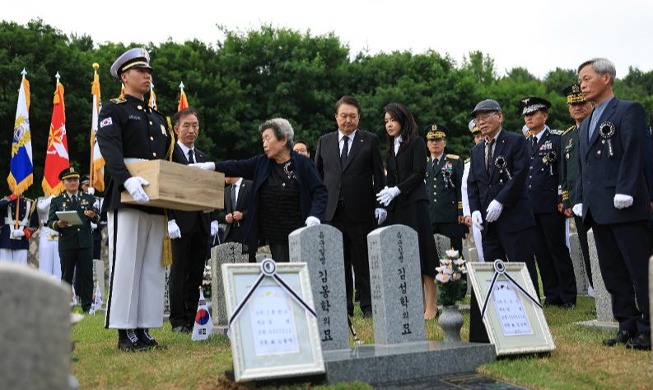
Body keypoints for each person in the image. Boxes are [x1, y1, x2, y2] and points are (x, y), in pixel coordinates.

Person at [97, 47, 173, 351]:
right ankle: (124, 330)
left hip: (155, 197)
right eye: (141, 71)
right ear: (124, 76)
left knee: (151, 266)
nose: (147, 76)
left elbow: (167, 158)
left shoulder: (157, 116)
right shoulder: (113, 109)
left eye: (149, 71)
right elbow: (110, 148)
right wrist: (126, 178)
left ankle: (143, 327)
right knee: (127, 262)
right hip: (126, 194)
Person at [574, 58, 651, 350]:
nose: (582, 84)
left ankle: (648, 327)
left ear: (607, 78)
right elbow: (584, 167)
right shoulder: (586, 123)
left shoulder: (628, 110)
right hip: (598, 209)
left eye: (586, 77)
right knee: (612, 273)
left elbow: (635, 151)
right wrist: (580, 198)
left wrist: (627, 189)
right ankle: (626, 325)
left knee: (639, 271)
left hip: (625, 205)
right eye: (580, 79)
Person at [192, 117, 328, 263]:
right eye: (263, 139)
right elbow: (238, 166)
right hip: (274, 234)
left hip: (300, 230)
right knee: (282, 273)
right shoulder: (262, 163)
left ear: (283, 140)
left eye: (267, 138)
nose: (264, 144)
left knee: (302, 273)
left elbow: (320, 191)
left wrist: (315, 215)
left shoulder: (303, 164)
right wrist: (212, 166)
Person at [314, 95, 386, 318]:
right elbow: (318, 177)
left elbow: (378, 175)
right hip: (332, 212)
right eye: (343, 116)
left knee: (362, 260)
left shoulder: (370, 140)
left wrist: (379, 204)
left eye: (352, 116)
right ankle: (343, 308)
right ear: (336, 117)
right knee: (338, 262)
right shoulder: (324, 141)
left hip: (361, 210)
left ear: (359, 118)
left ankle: (368, 306)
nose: (348, 121)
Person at [466, 99, 539, 294]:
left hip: (514, 217)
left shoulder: (516, 141)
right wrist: (474, 211)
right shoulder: (476, 150)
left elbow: (520, 175)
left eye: (486, 116)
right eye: (478, 118)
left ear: (499, 116)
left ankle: (530, 307)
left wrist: (500, 201)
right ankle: (502, 312)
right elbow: (473, 183)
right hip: (489, 223)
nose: (481, 122)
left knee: (521, 265)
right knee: (493, 267)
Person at [377, 102, 439, 319]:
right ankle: (414, 303)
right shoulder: (390, 148)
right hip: (398, 207)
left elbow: (418, 172)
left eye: (392, 120)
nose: (389, 125)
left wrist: (397, 190)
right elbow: (390, 180)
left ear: (403, 120)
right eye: (386, 121)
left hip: (414, 204)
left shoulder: (417, 142)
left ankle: (431, 305)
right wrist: (385, 202)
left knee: (423, 252)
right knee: (404, 254)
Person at [165, 108, 219, 333]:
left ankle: (190, 317)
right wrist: (169, 219)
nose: (191, 130)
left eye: (195, 125)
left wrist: (214, 217)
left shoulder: (204, 157)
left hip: (201, 221)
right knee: (179, 271)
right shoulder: (169, 155)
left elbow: (210, 189)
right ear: (176, 129)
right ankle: (178, 320)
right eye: (186, 125)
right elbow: (166, 187)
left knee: (196, 271)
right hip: (179, 222)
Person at [521, 97, 577, 308]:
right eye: (526, 115)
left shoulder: (557, 138)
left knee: (557, 249)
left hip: (551, 204)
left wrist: (562, 198)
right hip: (530, 206)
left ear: (544, 115)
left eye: (533, 114)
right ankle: (552, 295)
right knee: (540, 253)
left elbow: (563, 170)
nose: (529, 118)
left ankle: (568, 295)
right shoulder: (524, 142)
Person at [46, 167, 99, 313]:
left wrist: (92, 216)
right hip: (67, 242)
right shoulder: (57, 200)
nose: (73, 182)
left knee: (87, 274)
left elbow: (99, 217)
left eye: (75, 179)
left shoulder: (88, 198)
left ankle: (87, 306)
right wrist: (58, 224)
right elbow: (50, 221)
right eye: (69, 180)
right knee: (67, 275)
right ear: (63, 183)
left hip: (85, 242)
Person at [559, 84, 594, 293]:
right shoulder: (567, 136)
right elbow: (565, 173)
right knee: (586, 247)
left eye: (581, 103)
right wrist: (566, 200)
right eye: (573, 104)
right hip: (577, 202)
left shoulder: (597, 127)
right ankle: (597, 292)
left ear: (589, 102)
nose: (577, 108)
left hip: (597, 198)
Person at [424, 124, 464, 255]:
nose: (435, 143)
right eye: (431, 140)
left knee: (454, 254)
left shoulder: (455, 162)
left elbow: (460, 188)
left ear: (444, 142)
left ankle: (459, 276)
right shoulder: (424, 164)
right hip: (430, 215)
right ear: (427, 143)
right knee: (432, 254)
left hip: (449, 216)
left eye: (438, 140)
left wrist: (460, 212)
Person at [461, 119, 485, 261]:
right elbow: (465, 188)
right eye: (477, 136)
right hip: (477, 212)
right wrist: (467, 212)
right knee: (481, 250)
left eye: (482, 134)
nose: (480, 138)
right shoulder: (468, 164)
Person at [217, 176, 254, 261]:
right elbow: (220, 212)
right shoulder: (226, 191)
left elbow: (256, 207)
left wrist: (242, 215)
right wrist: (226, 217)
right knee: (229, 262)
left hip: (246, 233)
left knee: (247, 263)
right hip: (230, 233)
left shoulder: (250, 185)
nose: (223, 178)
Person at [0, 194, 35, 265]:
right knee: (5, 270)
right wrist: (11, 198)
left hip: (22, 241)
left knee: (21, 271)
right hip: (6, 239)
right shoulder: (5, 200)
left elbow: (34, 224)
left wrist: (23, 233)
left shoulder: (30, 203)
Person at [32, 194, 61, 278]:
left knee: (59, 267)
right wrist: (52, 197)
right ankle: (44, 290)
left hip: (59, 233)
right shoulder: (42, 199)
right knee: (45, 267)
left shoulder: (63, 198)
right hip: (46, 233)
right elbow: (41, 208)